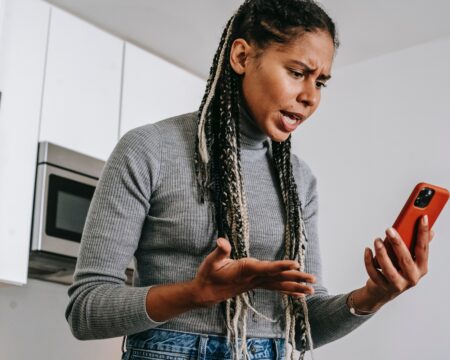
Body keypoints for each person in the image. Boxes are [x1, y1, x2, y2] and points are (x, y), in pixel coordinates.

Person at [65, 1, 433, 359]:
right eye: (297, 72)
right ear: (241, 57)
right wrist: (196, 293)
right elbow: (86, 308)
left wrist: (373, 296)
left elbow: (303, 330)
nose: (309, 97)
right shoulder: (149, 149)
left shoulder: (299, 181)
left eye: (321, 82)